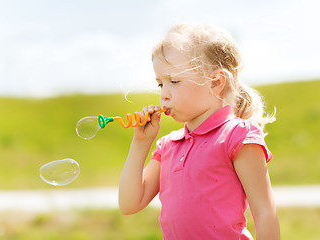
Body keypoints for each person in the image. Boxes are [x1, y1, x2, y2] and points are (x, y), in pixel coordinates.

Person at [118, 23, 280, 240]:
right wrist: (140, 144)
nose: (164, 95)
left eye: (174, 81)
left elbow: (265, 212)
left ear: (216, 82)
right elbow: (129, 203)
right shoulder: (168, 145)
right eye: (160, 84)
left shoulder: (237, 135)